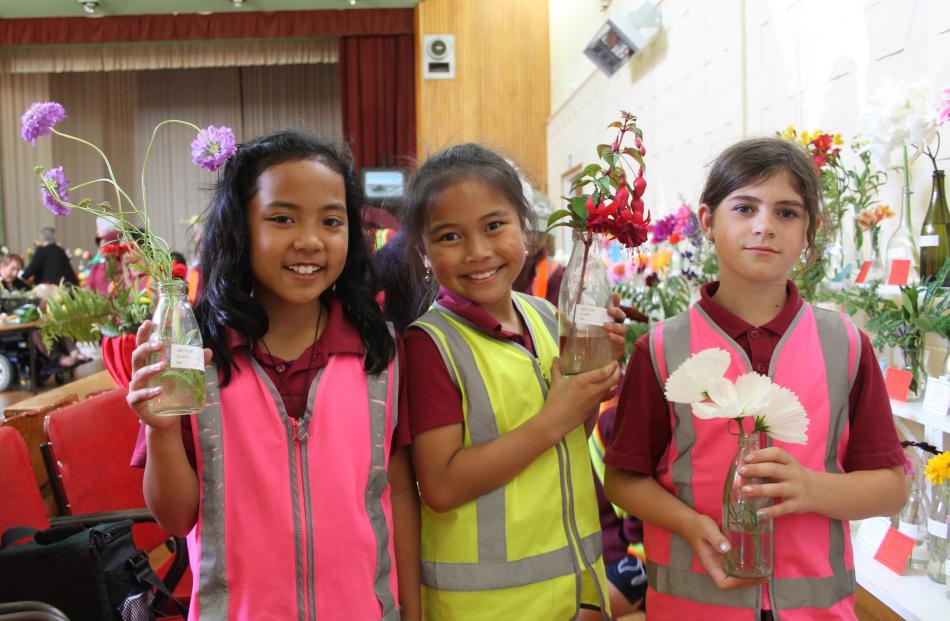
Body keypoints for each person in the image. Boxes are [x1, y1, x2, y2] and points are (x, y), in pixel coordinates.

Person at [603, 137, 908, 620]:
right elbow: (622, 478)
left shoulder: (846, 345)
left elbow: (892, 486)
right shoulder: (661, 349)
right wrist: (687, 524)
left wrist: (812, 489)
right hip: (694, 607)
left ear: (810, 229)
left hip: (816, 611)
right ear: (708, 221)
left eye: (787, 213)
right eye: (745, 208)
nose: (765, 226)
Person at [126, 131, 420, 620]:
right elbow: (175, 517)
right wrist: (160, 431)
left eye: (331, 221)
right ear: (241, 227)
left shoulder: (380, 354)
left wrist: (411, 610)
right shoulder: (196, 355)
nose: (308, 240)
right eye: (281, 218)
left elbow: (400, 495)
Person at [402, 143, 626, 620]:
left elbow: (569, 439)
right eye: (449, 237)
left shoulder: (547, 317)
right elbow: (439, 485)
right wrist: (554, 418)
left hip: (574, 591)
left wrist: (590, 391)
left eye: (493, 226)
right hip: (488, 606)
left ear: (525, 227)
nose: (478, 251)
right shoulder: (430, 346)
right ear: (423, 251)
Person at [86, 217, 120, 293]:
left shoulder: (124, 267)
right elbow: (88, 290)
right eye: (99, 242)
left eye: (106, 242)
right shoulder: (96, 267)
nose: (101, 247)